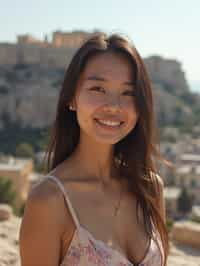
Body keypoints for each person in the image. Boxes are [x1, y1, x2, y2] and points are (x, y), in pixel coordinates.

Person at [19, 32, 169, 266]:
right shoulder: (49, 201)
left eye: (128, 93)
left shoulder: (150, 188)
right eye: (98, 89)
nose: (113, 106)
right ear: (71, 99)